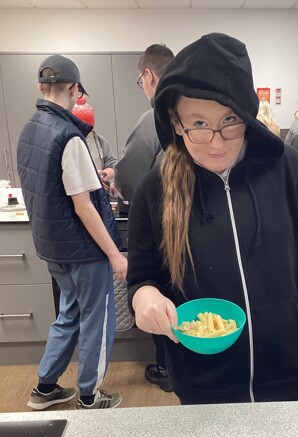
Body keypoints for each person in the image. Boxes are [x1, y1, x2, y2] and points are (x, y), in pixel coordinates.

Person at [127, 33, 298, 405]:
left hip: (291, 376)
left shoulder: (287, 170)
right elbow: (141, 279)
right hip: (203, 387)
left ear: (247, 113)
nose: (217, 142)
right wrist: (144, 300)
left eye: (230, 120)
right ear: (175, 122)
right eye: (198, 123)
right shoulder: (154, 190)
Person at [17, 54, 127, 410]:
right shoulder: (69, 137)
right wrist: (115, 255)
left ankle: (45, 388)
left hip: (54, 250)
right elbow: (84, 206)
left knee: (69, 314)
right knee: (97, 319)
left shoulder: (29, 130)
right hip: (84, 251)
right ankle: (91, 396)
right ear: (75, 89)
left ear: (40, 87)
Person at [115, 43, 174, 393]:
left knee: (158, 295)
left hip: (162, 229)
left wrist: (116, 180)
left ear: (148, 76)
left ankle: (167, 369)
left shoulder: (154, 116)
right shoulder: (188, 112)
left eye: (140, 81)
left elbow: (131, 179)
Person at [72, 96, 117, 193]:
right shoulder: (67, 144)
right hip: (79, 193)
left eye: (89, 127)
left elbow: (112, 165)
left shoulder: (100, 141)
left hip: (101, 192)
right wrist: (93, 178)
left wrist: (103, 176)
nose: (86, 131)